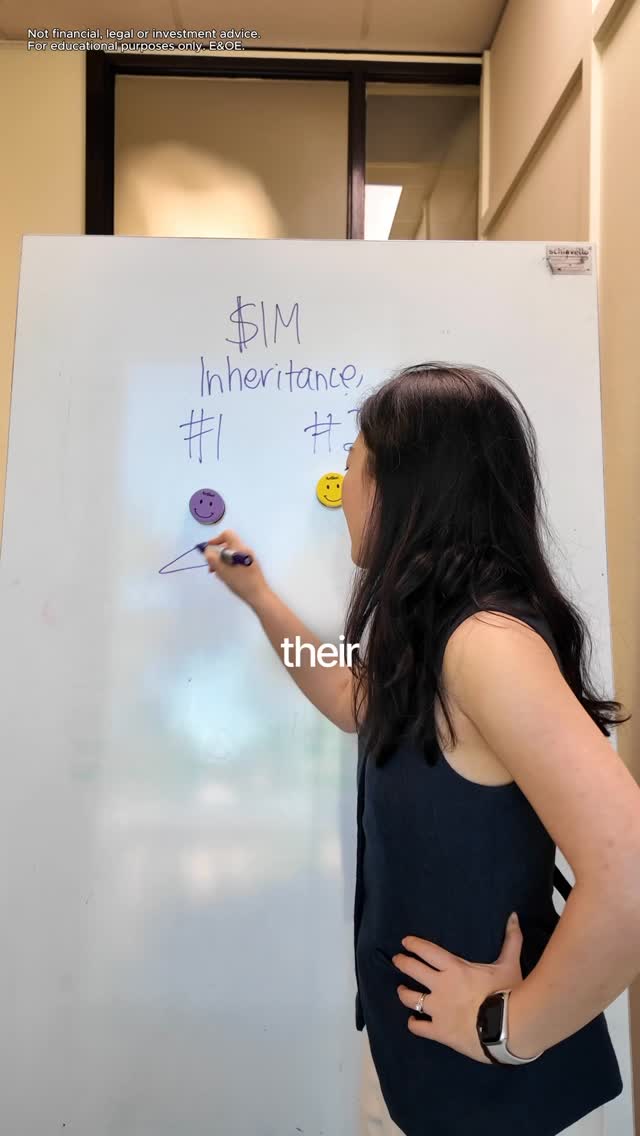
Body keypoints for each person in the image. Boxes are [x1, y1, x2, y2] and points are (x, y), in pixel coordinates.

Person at [204, 362, 640, 1136]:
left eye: (353, 459)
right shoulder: (435, 631)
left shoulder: (486, 645)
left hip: (488, 1093)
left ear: (401, 486)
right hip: (426, 1073)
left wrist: (510, 1029)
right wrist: (261, 598)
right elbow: (351, 700)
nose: (343, 479)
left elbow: (631, 877)